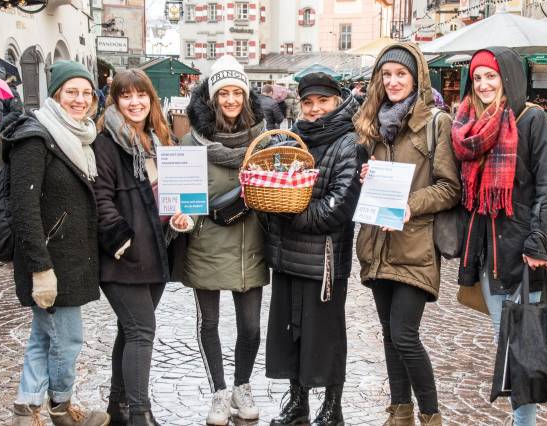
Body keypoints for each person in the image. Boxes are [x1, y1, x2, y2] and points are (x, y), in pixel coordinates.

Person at [452, 48, 547, 425]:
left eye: (491, 76)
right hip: (489, 255)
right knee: (507, 345)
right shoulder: (468, 126)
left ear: (508, 78)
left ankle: (524, 422)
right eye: (477, 78)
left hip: (526, 253)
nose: (484, 84)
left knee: (521, 350)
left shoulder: (532, 119)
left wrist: (538, 239)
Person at [354, 42, 460, 426]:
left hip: (415, 244)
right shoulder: (377, 125)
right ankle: (400, 412)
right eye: (387, 75)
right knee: (388, 334)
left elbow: (451, 187)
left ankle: (431, 415)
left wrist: (411, 203)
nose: (394, 81)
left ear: (416, 77)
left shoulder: (436, 122)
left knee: (405, 335)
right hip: (379, 242)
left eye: (401, 74)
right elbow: (383, 183)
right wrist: (370, 177)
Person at [4, 60, 109, 426]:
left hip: (71, 256)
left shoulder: (79, 136)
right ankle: (61, 407)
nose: (80, 100)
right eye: (71, 92)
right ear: (55, 94)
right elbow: (23, 209)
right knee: (68, 339)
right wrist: (40, 267)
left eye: (86, 93)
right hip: (50, 259)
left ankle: (26, 406)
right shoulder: (36, 137)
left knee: (43, 336)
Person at [264, 72, 365, 425]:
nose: (315, 109)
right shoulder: (291, 140)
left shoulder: (349, 143)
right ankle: (298, 404)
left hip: (324, 259)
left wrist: (290, 214)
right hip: (288, 256)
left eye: (323, 101)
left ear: (337, 102)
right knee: (291, 332)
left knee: (327, 336)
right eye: (308, 102)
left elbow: (339, 206)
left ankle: (333, 408)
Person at [178, 55, 268, 425]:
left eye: (237, 93)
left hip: (250, 245)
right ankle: (218, 391)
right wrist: (183, 217)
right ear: (211, 99)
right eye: (223, 94)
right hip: (207, 244)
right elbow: (183, 196)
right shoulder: (190, 141)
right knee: (209, 324)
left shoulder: (263, 140)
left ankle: (241, 385)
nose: (230, 100)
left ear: (246, 98)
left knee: (250, 327)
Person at [93, 69, 177, 425]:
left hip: (155, 252)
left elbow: (168, 196)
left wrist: (179, 218)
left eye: (140, 95)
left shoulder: (158, 139)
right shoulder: (107, 143)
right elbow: (101, 199)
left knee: (129, 331)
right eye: (125, 96)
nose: (134, 102)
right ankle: (140, 414)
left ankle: (119, 408)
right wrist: (121, 241)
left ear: (150, 99)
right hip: (124, 257)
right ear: (115, 101)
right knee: (142, 331)